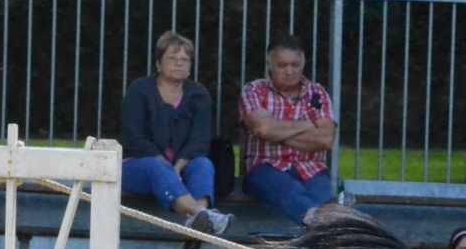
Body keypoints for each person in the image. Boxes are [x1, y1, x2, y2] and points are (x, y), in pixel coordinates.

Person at [119, 30, 233, 236]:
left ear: (190, 67)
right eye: (172, 58)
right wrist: (168, 169)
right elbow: (135, 138)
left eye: (185, 59)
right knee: (155, 166)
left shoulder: (199, 94)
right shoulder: (139, 90)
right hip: (139, 166)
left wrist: (178, 167)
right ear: (158, 63)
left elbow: (200, 141)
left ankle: (198, 223)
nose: (179, 63)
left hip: (181, 168)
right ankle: (202, 214)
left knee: (203, 164)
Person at [239, 34, 338, 226]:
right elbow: (263, 127)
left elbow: (325, 139)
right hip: (265, 167)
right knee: (289, 191)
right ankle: (321, 221)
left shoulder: (317, 93)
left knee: (323, 198)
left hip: (312, 169)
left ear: (303, 63)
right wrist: (308, 125)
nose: (290, 71)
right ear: (269, 64)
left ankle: (320, 222)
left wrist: (276, 132)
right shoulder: (254, 90)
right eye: (282, 65)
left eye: (295, 65)